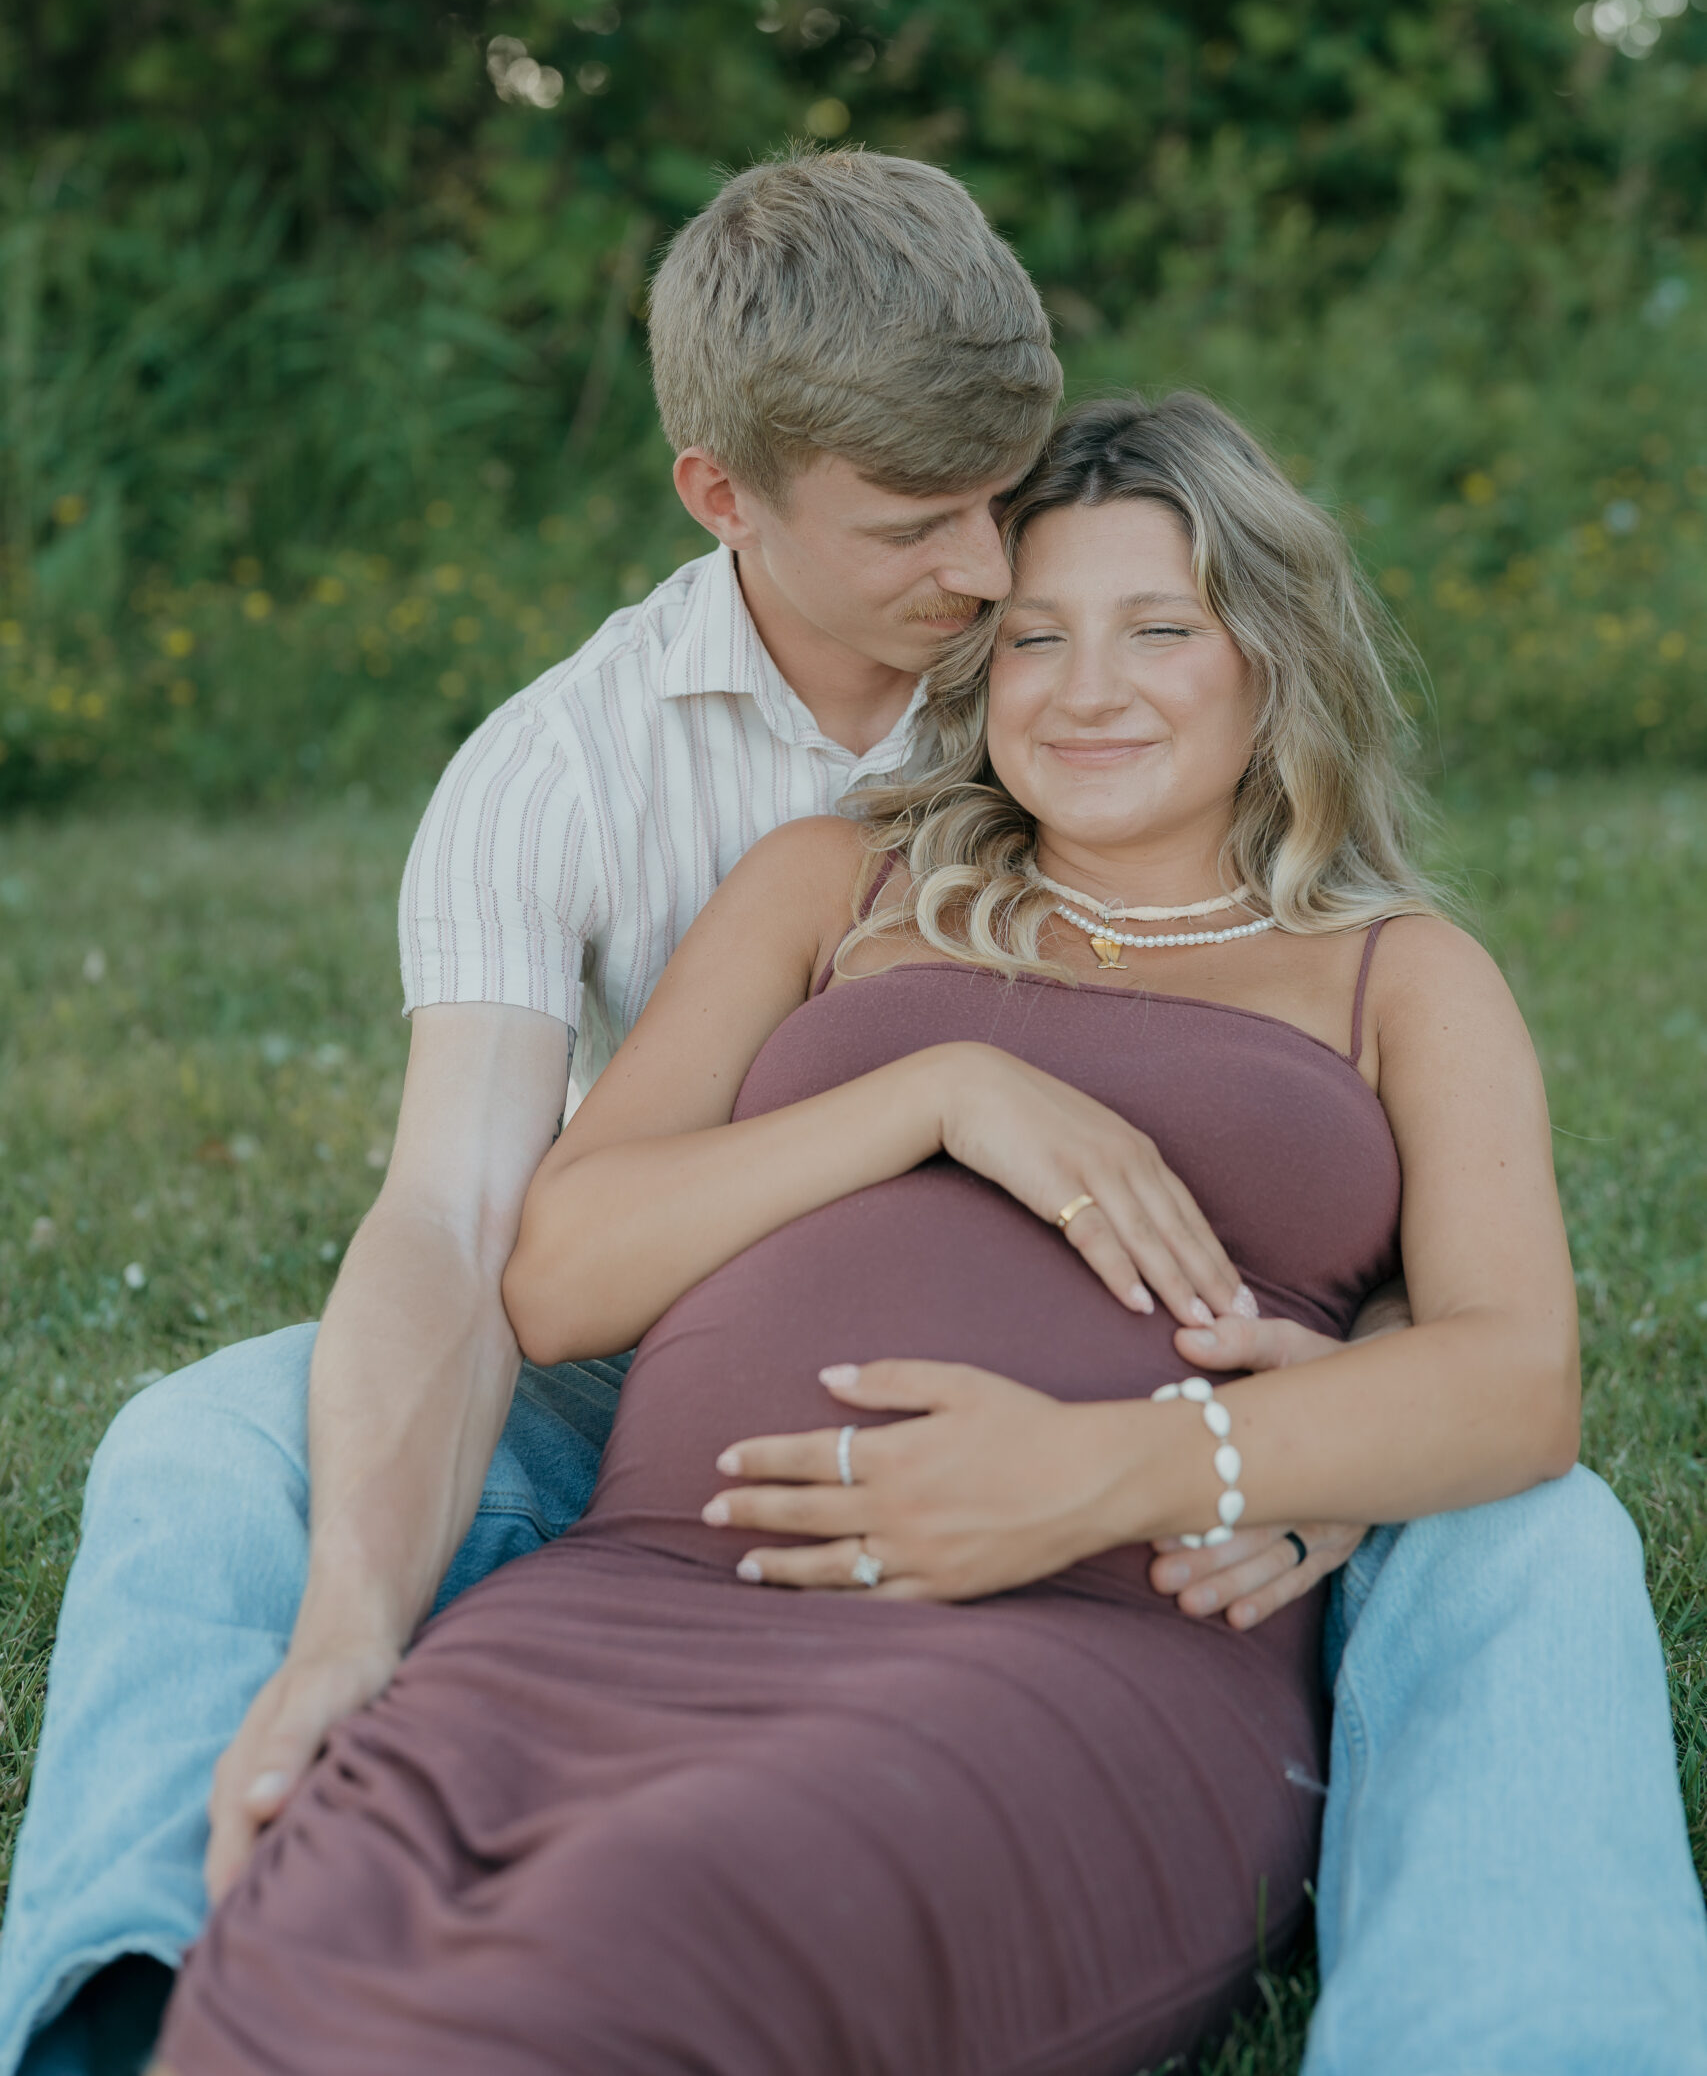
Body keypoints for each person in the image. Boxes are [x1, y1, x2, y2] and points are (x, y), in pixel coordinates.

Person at [1, 156, 1702, 2076]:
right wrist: (943, 1091)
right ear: (730, 500)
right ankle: (126, 1999)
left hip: (1111, 1567)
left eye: (1129, 611)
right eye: (1004, 604)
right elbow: (489, 1243)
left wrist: (1258, 1446)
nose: (1010, 606)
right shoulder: (680, 812)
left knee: (1530, 1531)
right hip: (667, 1451)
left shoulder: (1371, 943)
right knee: (215, 1464)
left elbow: (1504, 1354)